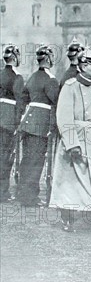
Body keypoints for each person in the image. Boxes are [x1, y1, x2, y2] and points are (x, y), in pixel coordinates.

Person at [49, 47, 91, 235]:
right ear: (82, 65)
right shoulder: (70, 86)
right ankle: (68, 217)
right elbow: (63, 117)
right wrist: (72, 144)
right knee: (70, 180)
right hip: (76, 138)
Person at [16, 45, 59, 207]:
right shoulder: (51, 79)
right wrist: (53, 126)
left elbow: (24, 98)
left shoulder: (33, 77)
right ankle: (30, 197)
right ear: (47, 59)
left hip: (28, 122)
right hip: (40, 124)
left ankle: (23, 193)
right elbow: (56, 102)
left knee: (27, 159)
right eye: (52, 57)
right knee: (36, 161)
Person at [0, 44, 25, 202]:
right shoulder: (18, 77)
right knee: (7, 156)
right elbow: (20, 102)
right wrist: (18, 123)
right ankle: (3, 192)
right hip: (9, 120)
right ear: (15, 58)